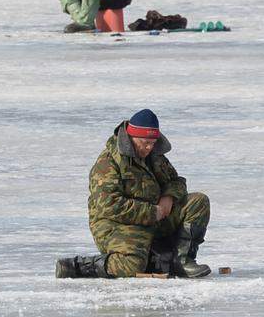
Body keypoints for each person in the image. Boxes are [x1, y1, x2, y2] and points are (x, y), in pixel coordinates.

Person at [57, 109, 211, 279]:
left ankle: (181, 261)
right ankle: (80, 267)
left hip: (154, 219)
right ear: (131, 137)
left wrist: (169, 197)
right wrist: (153, 212)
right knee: (132, 265)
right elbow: (110, 206)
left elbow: (177, 181)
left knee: (198, 202)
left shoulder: (155, 156)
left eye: (153, 143)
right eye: (144, 142)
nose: (149, 147)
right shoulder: (108, 163)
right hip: (115, 225)